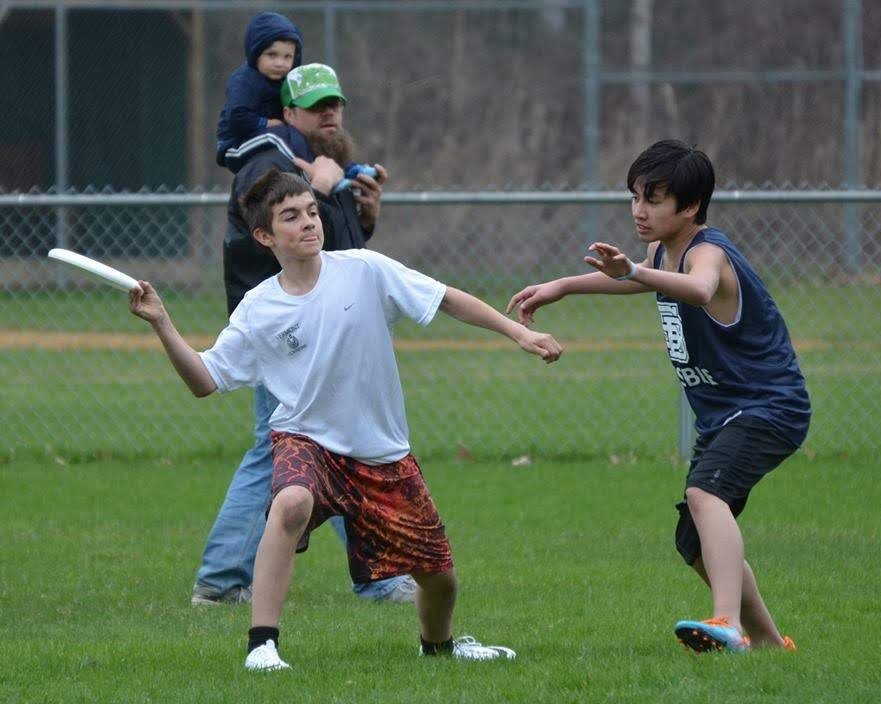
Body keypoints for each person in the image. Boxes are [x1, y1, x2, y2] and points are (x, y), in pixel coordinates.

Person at [130, 168, 564, 670]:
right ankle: (262, 646)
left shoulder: (364, 268)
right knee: (290, 501)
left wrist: (519, 334)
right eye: (290, 217)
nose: (308, 223)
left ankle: (439, 647)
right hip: (305, 440)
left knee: (438, 576)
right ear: (265, 236)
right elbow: (204, 379)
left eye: (312, 211)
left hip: (381, 454)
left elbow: (445, 297)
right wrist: (163, 322)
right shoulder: (258, 307)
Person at [507, 139, 810, 653]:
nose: (638, 211)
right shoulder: (660, 254)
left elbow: (697, 288)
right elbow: (641, 281)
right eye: (633, 197)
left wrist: (634, 271)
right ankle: (766, 642)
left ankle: (728, 624)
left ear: (690, 206)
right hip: (727, 416)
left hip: (768, 407)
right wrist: (563, 285)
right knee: (693, 538)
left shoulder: (707, 252)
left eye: (653, 199)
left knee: (704, 495)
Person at [192, 63, 417, 605]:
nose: (331, 114)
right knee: (304, 448)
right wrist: (317, 187)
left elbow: (337, 247)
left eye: (336, 104)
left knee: (317, 448)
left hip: (329, 322)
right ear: (288, 114)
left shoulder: (326, 164)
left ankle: (225, 581)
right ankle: (374, 577)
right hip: (289, 330)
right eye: (317, 107)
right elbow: (263, 244)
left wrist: (364, 215)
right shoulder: (268, 161)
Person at [215, 12, 303, 170]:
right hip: (235, 144)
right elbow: (237, 116)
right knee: (280, 136)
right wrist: (267, 123)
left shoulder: (286, 80)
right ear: (255, 53)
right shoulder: (244, 81)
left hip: (264, 137)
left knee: (306, 137)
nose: (280, 63)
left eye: (287, 57)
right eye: (272, 55)